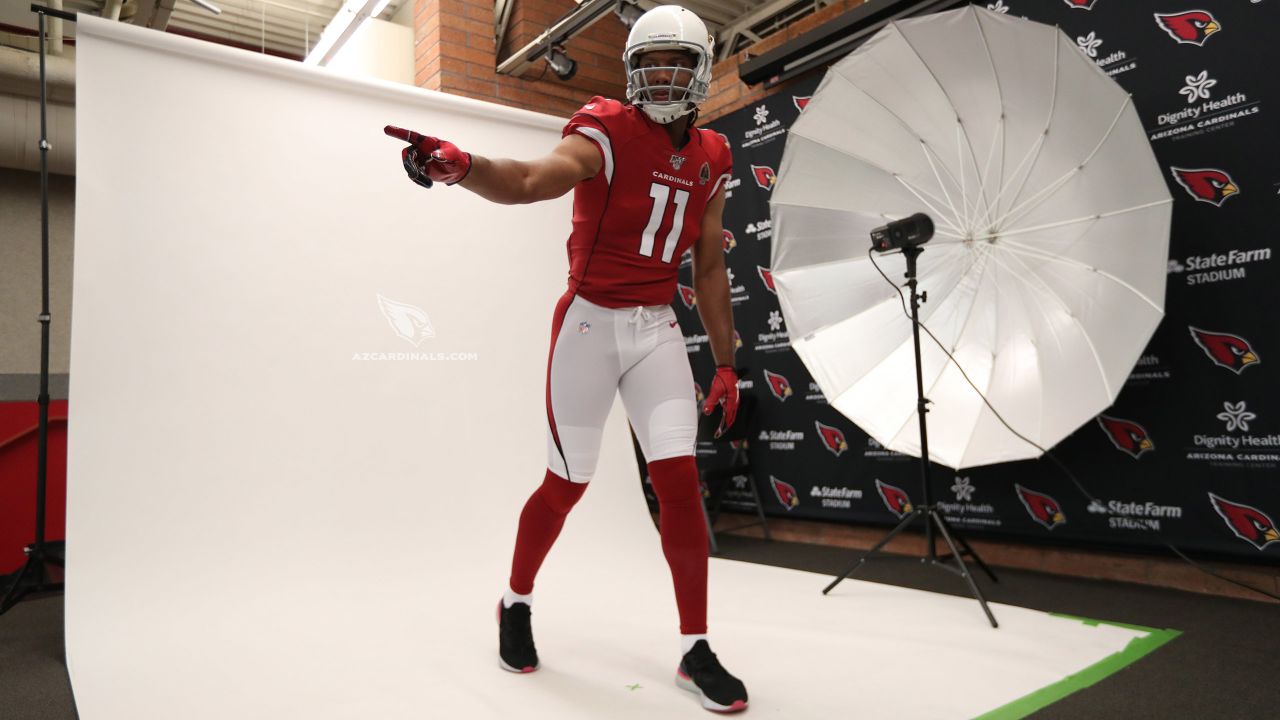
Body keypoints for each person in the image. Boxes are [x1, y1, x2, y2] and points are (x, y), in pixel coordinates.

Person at [385, 5, 747, 713]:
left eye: (677, 62)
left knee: (677, 483)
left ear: (701, 71)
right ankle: (514, 601)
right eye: (650, 63)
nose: (664, 76)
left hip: (655, 330)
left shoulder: (713, 155)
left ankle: (694, 646)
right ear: (631, 71)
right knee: (568, 483)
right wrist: (465, 168)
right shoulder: (607, 128)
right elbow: (528, 180)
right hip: (589, 325)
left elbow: (708, 268)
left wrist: (727, 362)